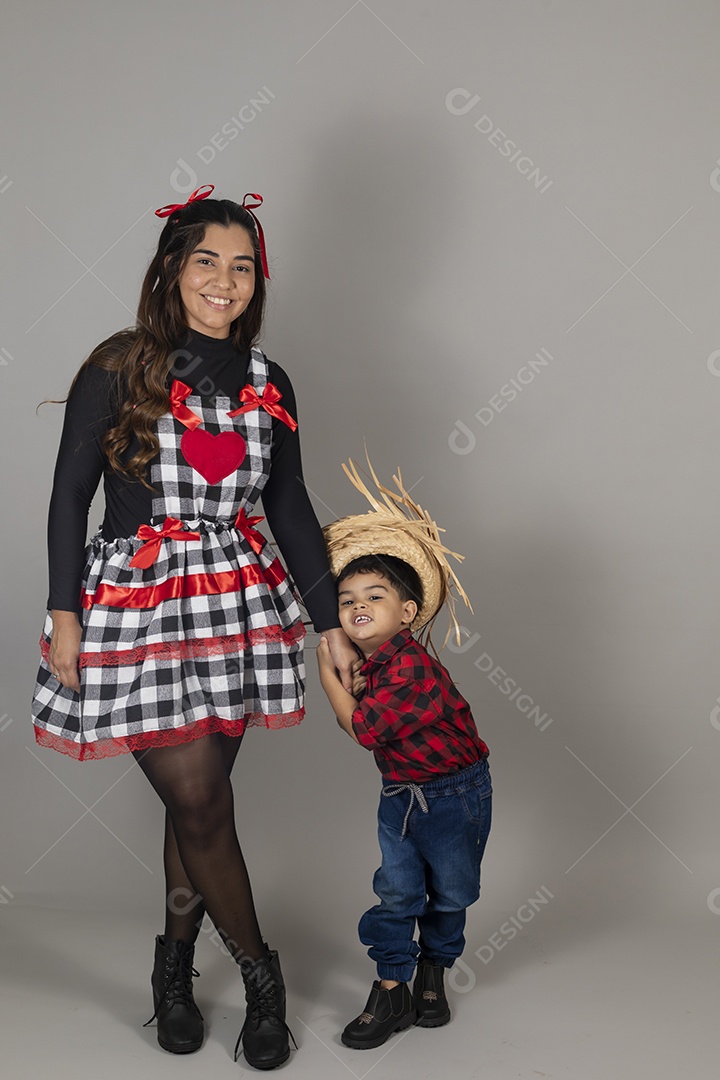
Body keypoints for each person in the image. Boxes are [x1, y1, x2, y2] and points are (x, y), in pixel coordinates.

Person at [31, 185, 356, 1070]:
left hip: (236, 608)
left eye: (242, 266)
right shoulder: (119, 366)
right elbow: (68, 494)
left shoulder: (268, 382)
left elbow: (287, 505)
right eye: (206, 261)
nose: (224, 281)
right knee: (202, 799)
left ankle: (173, 970)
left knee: (195, 805)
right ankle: (262, 975)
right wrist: (63, 613)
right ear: (173, 268)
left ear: (258, 282)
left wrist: (328, 621)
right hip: (137, 607)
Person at [317, 461, 491, 1049]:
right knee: (395, 891)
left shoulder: (412, 666)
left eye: (375, 595)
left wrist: (326, 675)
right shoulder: (374, 665)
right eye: (345, 600)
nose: (356, 606)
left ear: (408, 613)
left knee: (451, 891)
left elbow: (365, 731)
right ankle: (391, 985)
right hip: (401, 796)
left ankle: (433, 972)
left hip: (455, 796)